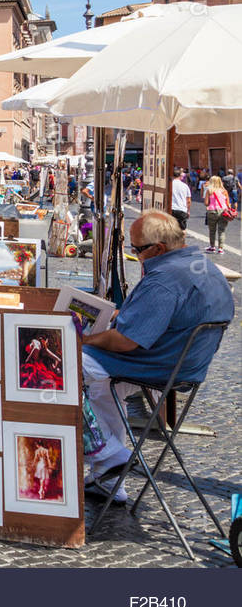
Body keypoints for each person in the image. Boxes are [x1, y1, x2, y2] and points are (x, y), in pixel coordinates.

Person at [78, 210, 234, 504]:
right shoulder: (202, 264)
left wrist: (81, 339)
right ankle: (108, 479)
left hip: (157, 363)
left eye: (137, 250)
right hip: (184, 363)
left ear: (158, 248)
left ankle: (109, 454)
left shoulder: (164, 278)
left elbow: (125, 341)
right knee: (102, 385)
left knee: (62, 365)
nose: (135, 255)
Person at [204, 174, 232, 253]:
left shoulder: (209, 191)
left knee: (212, 230)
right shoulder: (224, 191)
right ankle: (220, 249)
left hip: (212, 211)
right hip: (223, 211)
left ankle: (212, 247)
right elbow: (228, 204)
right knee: (221, 231)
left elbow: (206, 203)